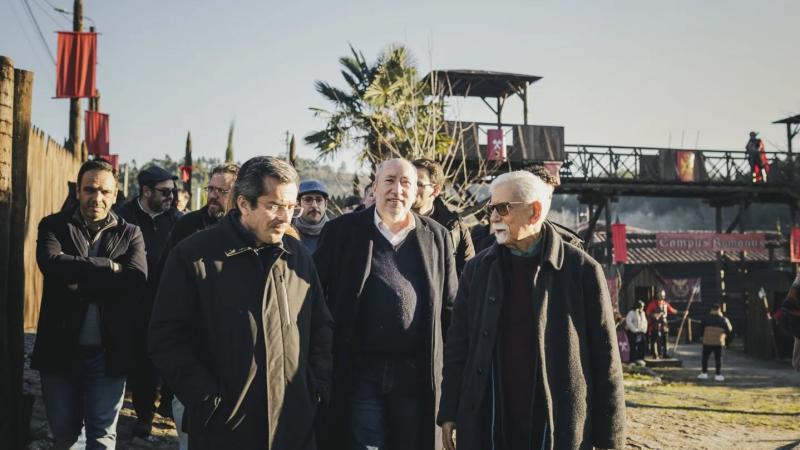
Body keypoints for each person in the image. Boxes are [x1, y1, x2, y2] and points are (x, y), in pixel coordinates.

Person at [149, 156, 333, 449]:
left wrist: (314, 390)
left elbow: (321, 325)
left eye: (290, 207)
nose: (285, 217)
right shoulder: (193, 256)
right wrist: (209, 401)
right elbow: (167, 339)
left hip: (293, 426)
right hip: (224, 431)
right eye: (274, 206)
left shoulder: (297, 256)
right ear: (244, 204)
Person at [438, 170, 626, 450]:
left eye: (503, 208)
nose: (493, 217)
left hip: (557, 421)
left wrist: (610, 438)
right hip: (490, 416)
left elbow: (606, 356)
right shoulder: (477, 270)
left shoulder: (581, 270)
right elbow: (458, 346)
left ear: (535, 211)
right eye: (491, 209)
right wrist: (450, 410)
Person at [314, 158, 458, 450]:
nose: (397, 190)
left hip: (415, 374)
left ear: (416, 191)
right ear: (376, 187)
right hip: (359, 371)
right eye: (390, 181)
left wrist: (453, 383)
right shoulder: (342, 231)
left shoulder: (436, 236)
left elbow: (451, 309)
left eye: (406, 183)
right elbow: (316, 299)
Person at [32, 159, 147, 449]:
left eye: (104, 191)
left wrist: (77, 276)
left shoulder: (129, 233)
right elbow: (52, 263)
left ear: (115, 194)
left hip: (107, 355)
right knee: (66, 437)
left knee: (102, 437)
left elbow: (135, 279)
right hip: (60, 352)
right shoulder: (54, 226)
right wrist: (110, 267)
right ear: (78, 191)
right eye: (90, 189)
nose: (97, 198)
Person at [150, 163, 239, 449]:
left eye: (221, 191)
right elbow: (164, 281)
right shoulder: (187, 226)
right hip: (193, 349)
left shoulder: (249, 234)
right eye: (210, 189)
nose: (213, 196)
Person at [117, 165, 182, 437]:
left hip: (168, 302)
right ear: (145, 191)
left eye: (173, 191)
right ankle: (144, 415)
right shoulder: (122, 217)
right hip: (134, 303)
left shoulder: (178, 221)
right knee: (141, 361)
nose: (171, 196)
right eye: (165, 192)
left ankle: (167, 403)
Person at [412, 158, 475, 277]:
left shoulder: (454, 227)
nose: (411, 188)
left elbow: (469, 275)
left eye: (419, 184)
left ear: (436, 190)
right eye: (408, 182)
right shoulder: (392, 221)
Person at [696, 304, 733, 381]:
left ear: (711, 309)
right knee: (718, 358)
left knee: (705, 358)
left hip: (707, 341)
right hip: (719, 342)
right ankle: (718, 374)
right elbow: (729, 330)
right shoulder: (724, 319)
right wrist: (727, 341)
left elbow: (700, 329)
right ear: (719, 310)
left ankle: (704, 373)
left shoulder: (706, 318)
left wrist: (701, 338)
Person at [294, 179, 330, 253]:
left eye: (319, 200)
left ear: (326, 204)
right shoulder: (287, 234)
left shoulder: (336, 233)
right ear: (298, 204)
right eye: (308, 200)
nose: (314, 205)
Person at [646, 289, 677, 359]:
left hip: (664, 324)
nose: (661, 298)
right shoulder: (652, 304)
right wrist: (654, 315)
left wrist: (682, 313)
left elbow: (672, 310)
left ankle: (665, 353)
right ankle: (655, 354)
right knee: (654, 339)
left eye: (662, 296)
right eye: (660, 296)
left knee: (665, 339)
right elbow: (647, 312)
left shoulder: (665, 304)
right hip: (654, 324)